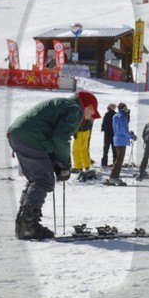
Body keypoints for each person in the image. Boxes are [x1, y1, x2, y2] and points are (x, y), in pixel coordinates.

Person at [7, 91, 99, 239]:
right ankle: (28, 227)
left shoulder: (64, 104)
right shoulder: (75, 110)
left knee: (36, 179)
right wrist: (64, 164)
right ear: (87, 106)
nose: (89, 117)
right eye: (91, 113)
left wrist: (56, 161)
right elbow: (61, 138)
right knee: (43, 180)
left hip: (19, 134)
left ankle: (23, 224)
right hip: (30, 137)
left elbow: (52, 136)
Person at [108, 102, 134, 184]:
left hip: (116, 139)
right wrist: (131, 136)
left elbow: (118, 128)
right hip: (121, 140)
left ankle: (115, 176)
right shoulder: (123, 117)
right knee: (119, 160)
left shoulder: (115, 116)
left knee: (118, 159)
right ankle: (114, 177)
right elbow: (123, 130)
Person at [71, 105, 95, 172]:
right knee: (84, 149)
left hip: (80, 132)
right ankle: (87, 165)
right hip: (87, 131)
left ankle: (78, 167)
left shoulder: (81, 110)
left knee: (76, 150)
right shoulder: (90, 109)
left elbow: (76, 122)